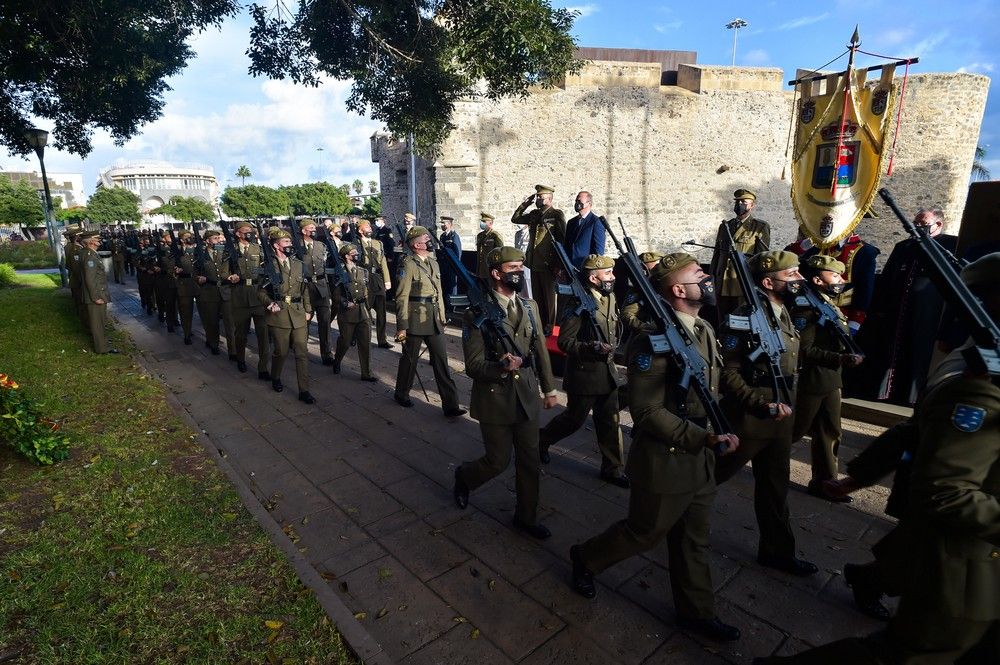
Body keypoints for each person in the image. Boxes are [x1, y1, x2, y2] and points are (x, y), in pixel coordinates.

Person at [755, 252, 1000, 665]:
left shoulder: (977, 367)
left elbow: (914, 430)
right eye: (793, 272)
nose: (836, 279)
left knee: (827, 437)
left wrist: (856, 476)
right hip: (813, 385)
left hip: (833, 386)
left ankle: (866, 574)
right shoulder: (978, 380)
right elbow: (941, 480)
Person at [570, 253, 741, 642]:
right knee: (643, 533)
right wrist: (704, 438)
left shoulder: (705, 330)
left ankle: (697, 613)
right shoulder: (651, 341)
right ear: (678, 290)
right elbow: (646, 412)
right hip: (666, 459)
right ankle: (586, 557)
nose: (708, 278)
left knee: (693, 539)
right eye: (699, 274)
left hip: (701, 456)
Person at [715, 250, 818, 576]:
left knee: (775, 488)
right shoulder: (745, 317)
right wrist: (759, 404)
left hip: (780, 417)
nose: (799, 279)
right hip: (750, 418)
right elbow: (728, 374)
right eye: (792, 275)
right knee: (710, 475)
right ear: (768, 282)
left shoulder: (783, 312)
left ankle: (777, 551)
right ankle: (663, 520)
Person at [453, 246, 558, 539]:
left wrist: (549, 388)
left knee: (530, 460)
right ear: (497, 273)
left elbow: (539, 350)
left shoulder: (529, 306)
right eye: (512, 268)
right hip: (495, 398)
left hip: (525, 395)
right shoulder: (476, 313)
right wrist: (500, 366)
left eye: (521, 266)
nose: (519, 272)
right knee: (497, 461)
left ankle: (526, 517)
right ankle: (465, 476)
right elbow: (473, 365)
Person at [538, 254, 628, 487]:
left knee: (610, 420)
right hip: (584, 373)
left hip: (607, 371)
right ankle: (542, 440)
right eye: (608, 273)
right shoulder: (577, 304)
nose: (613, 276)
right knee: (574, 419)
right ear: (593, 278)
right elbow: (564, 342)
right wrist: (591, 347)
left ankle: (613, 468)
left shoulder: (609, 297)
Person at [858, 208, 957, 405]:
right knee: (891, 352)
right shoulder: (903, 246)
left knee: (919, 353)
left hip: (929, 312)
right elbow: (888, 277)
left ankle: (912, 398)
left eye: (923, 223)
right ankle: (884, 393)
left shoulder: (950, 245)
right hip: (897, 309)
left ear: (938, 225)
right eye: (915, 223)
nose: (917, 227)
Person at [791, 255, 863, 502]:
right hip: (813, 379)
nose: (840, 281)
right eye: (835, 276)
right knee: (794, 430)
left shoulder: (829, 305)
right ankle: (759, 460)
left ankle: (824, 481)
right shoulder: (806, 308)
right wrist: (839, 359)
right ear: (817, 279)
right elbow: (804, 349)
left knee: (830, 431)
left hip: (832, 380)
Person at [393, 225, 466, 418]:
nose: (429, 241)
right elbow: (401, 296)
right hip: (415, 319)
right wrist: (402, 326)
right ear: (417, 244)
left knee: (442, 362)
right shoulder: (407, 264)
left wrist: (442, 316)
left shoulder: (433, 262)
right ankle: (401, 393)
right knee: (410, 360)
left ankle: (450, 405)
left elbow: (439, 292)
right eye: (426, 238)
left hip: (433, 318)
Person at [259, 229, 314, 404]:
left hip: (298, 312)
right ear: (276, 245)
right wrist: (269, 303)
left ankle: (304, 390)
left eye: (290, 242)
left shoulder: (299, 264)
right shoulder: (268, 265)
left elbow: (305, 289)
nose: (290, 245)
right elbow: (259, 291)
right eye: (286, 243)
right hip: (279, 313)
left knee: (302, 353)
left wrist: (308, 309)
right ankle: (275, 376)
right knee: (280, 352)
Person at [511, 184, 567, 335]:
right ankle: (540, 325)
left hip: (549, 264)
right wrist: (525, 204)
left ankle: (550, 327)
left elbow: (561, 240)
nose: (538, 199)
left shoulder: (556, 215)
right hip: (534, 262)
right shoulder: (535, 214)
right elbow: (515, 219)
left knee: (550, 300)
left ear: (549, 198)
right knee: (537, 298)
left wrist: (559, 265)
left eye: (541, 197)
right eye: (537, 197)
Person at [801, 230, 879, 337]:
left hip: (844, 313)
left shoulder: (864, 251)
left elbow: (865, 290)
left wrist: (855, 321)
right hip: (811, 307)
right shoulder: (818, 245)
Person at [709, 189, 771, 321]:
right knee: (722, 320)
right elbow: (717, 254)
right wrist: (712, 277)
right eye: (737, 201)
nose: (739, 204)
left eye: (743, 202)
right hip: (722, 282)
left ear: (752, 205)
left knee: (740, 320)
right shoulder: (726, 226)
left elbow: (761, 257)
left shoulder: (759, 227)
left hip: (741, 282)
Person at [227, 221, 271, 379]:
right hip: (239, 296)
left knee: (263, 334)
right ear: (238, 233)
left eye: (251, 231)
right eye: (246, 231)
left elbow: (267, 268)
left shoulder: (258, 249)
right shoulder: (229, 250)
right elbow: (223, 272)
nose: (250, 234)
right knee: (241, 334)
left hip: (258, 295)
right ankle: (240, 359)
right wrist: (229, 277)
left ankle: (263, 367)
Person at [332, 243, 378, 382]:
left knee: (365, 344)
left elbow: (367, 291)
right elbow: (335, 295)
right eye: (353, 252)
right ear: (347, 256)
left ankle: (367, 373)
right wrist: (345, 302)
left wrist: (369, 310)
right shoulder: (340, 272)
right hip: (347, 313)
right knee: (345, 342)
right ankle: (337, 360)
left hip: (362, 312)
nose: (356, 254)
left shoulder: (363, 271)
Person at [297, 218, 334, 365]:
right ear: (303, 231)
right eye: (310, 228)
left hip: (321, 286)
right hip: (305, 287)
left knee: (325, 322)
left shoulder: (321, 246)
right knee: (305, 320)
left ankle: (327, 353)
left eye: (314, 227)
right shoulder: (297, 245)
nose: (313, 230)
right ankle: (301, 350)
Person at [194, 228, 232, 356]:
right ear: (207, 241)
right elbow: (195, 272)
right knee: (212, 321)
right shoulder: (200, 254)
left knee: (230, 322)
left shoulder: (225, 253)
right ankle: (214, 343)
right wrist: (198, 278)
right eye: (215, 238)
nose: (218, 240)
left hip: (226, 291)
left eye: (219, 238)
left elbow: (232, 267)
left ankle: (233, 350)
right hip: (209, 291)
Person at [79, 231, 118, 354]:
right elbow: (90, 279)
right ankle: (102, 348)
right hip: (95, 296)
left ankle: (103, 343)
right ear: (91, 242)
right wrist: (95, 297)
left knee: (100, 321)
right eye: (96, 239)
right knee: (97, 323)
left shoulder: (91, 254)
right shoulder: (90, 256)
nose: (99, 241)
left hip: (97, 294)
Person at [358, 219, 393, 349]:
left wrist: (387, 280)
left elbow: (383, 262)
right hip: (364, 281)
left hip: (377, 280)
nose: (370, 228)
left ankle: (382, 339)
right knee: (364, 312)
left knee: (382, 312)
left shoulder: (378, 243)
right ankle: (361, 337)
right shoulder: (356, 244)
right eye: (366, 226)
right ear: (360, 230)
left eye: (370, 226)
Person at [564, 191, 606, 268]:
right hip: (570, 268)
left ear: (589, 203)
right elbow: (567, 245)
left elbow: (599, 251)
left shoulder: (595, 222)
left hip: (586, 267)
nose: (577, 203)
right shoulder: (571, 222)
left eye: (579, 201)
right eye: (576, 201)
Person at [174, 230, 200, 345]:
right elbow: (172, 266)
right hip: (184, 284)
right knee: (186, 311)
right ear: (181, 240)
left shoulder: (198, 250)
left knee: (205, 311)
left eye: (191, 237)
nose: (190, 239)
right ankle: (187, 333)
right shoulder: (177, 252)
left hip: (199, 283)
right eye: (187, 237)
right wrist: (175, 271)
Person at [437, 215, 462, 311]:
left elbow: (458, 252)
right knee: (445, 285)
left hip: (452, 266)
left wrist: (456, 266)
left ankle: (452, 306)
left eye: (444, 223)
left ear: (450, 224)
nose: (442, 225)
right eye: (442, 223)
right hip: (444, 265)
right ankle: (446, 305)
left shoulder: (454, 236)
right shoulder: (443, 236)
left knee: (452, 286)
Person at [476, 213, 504, 278]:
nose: (482, 223)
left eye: (484, 222)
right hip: (480, 268)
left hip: (490, 268)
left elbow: (500, 252)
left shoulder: (495, 236)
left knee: (490, 287)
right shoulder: (479, 236)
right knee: (481, 286)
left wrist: (496, 268)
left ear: (490, 223)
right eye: (481, 221)